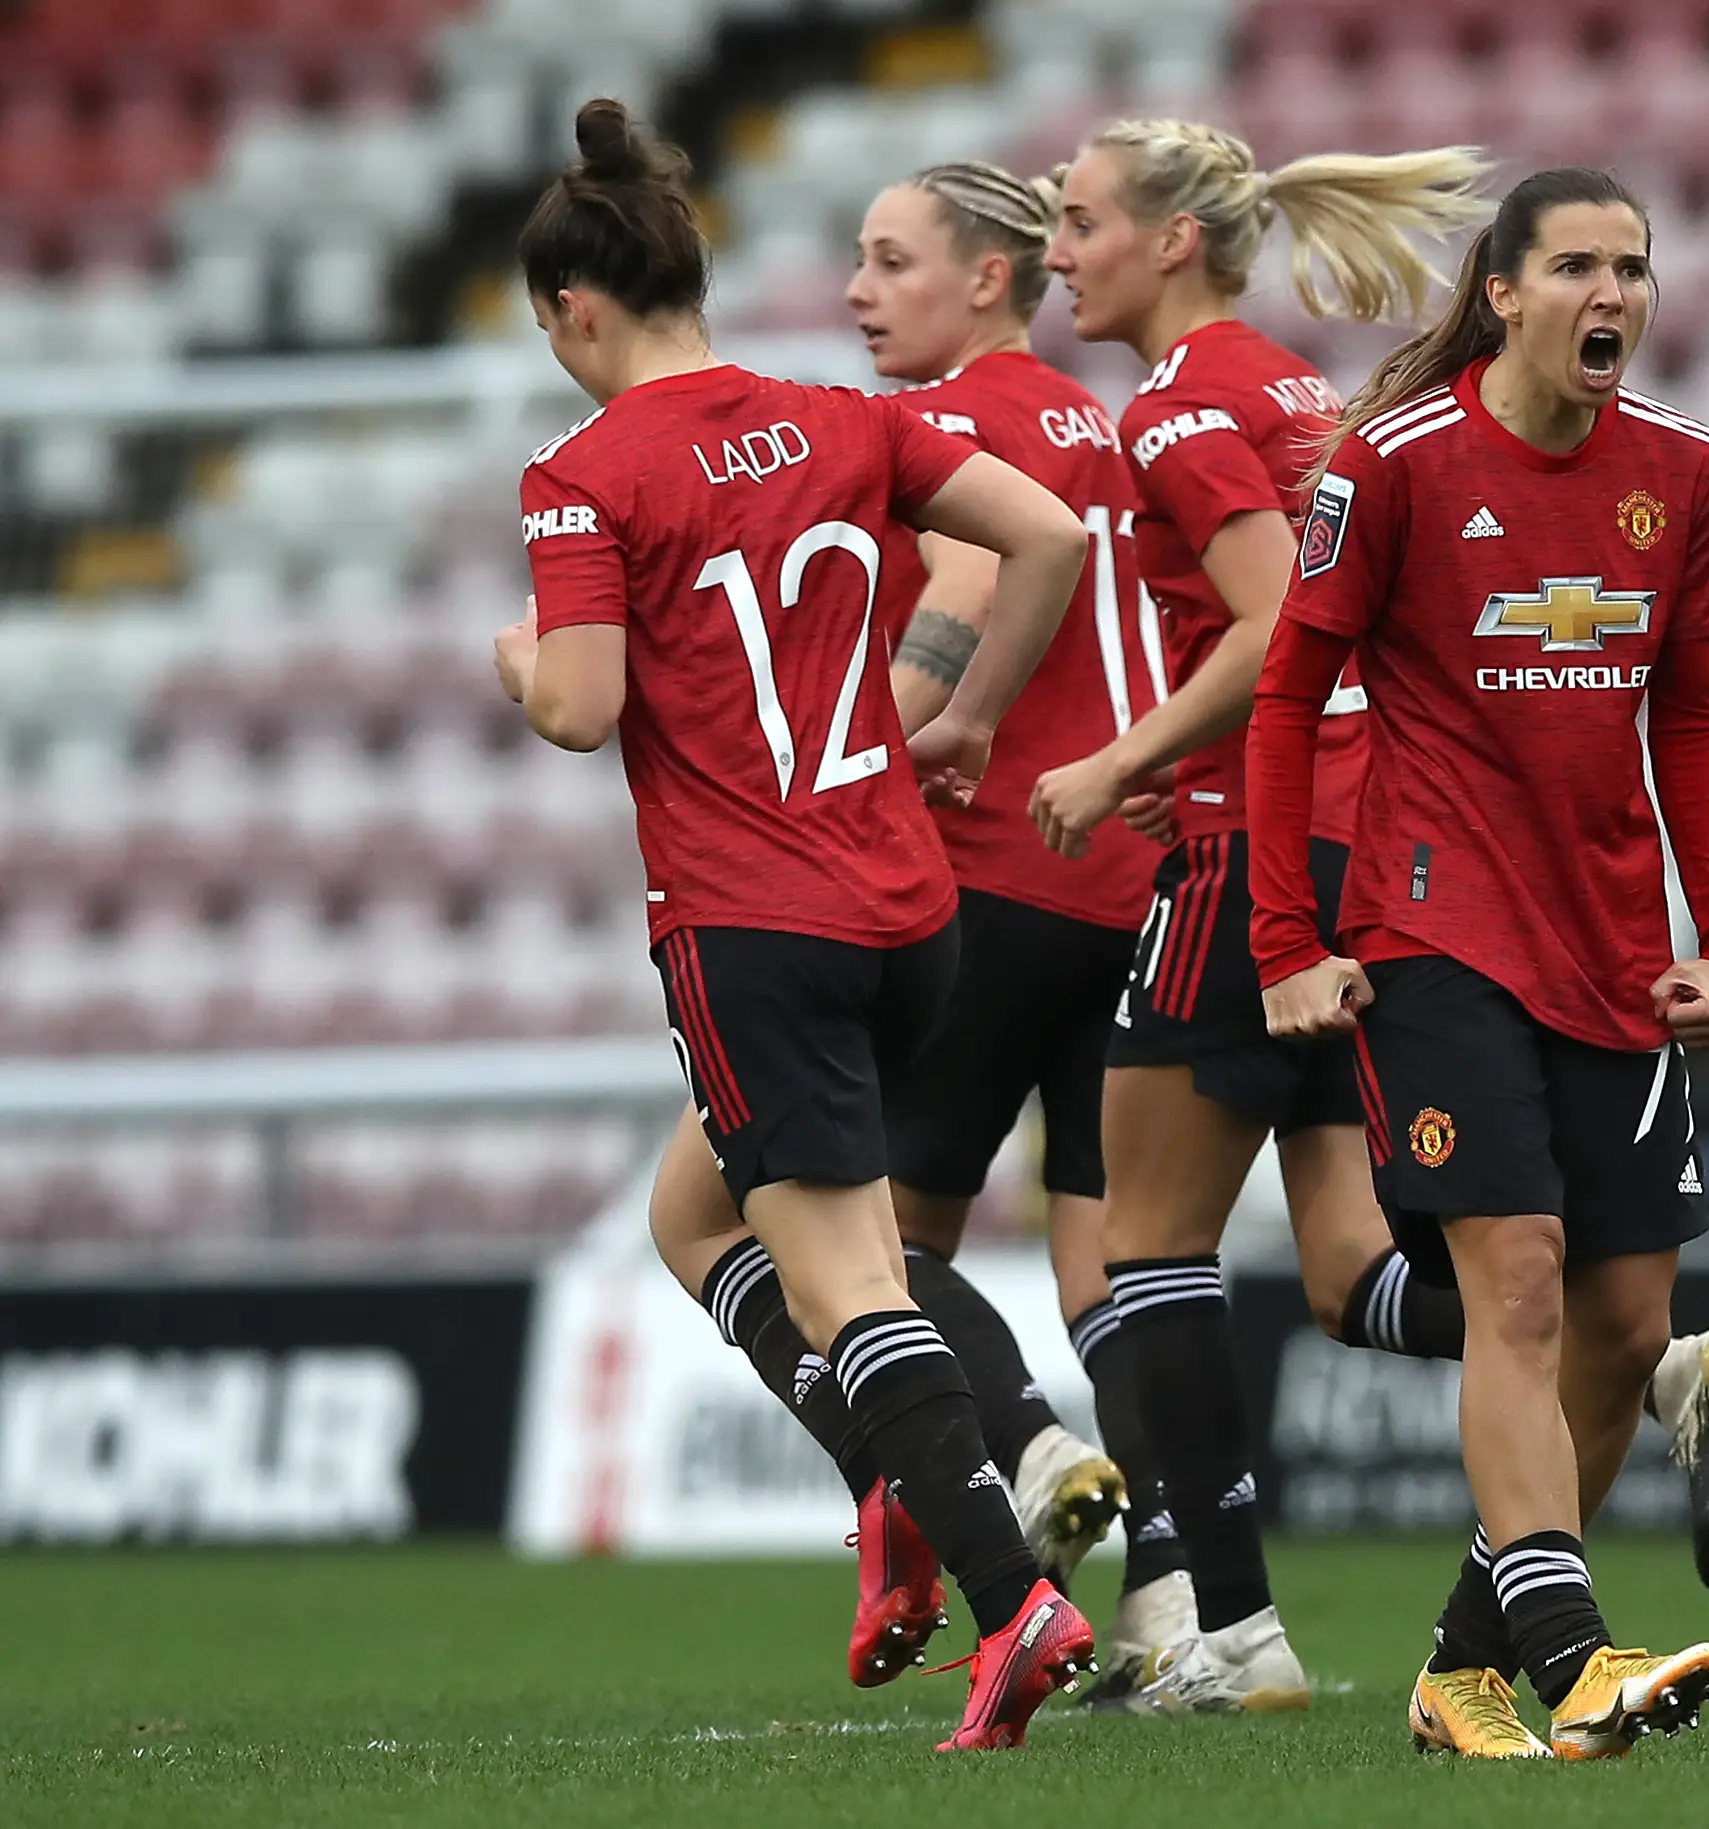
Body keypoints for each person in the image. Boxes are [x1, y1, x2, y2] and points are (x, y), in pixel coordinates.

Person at [494, 100, 1092, 1751]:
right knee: (697, 1218)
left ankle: (1009, 1597)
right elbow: (1048, 534)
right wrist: (969, 720)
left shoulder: (581, 474)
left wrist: (512, 658)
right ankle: (890, 1476)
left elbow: (578, 708)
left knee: (842, 1281)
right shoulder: (838, 417)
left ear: (575, 312)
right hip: (910, 913)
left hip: (755, 922)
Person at [1249, 167, 1709, 1760]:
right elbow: (1287, 702)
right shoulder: (1392, 466)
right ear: (1507, 293)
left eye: (1636, 266)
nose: (1614, 293)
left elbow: (1688, 712)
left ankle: (1458, 1670)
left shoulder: (1680, 469)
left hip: (1612, 947)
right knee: (1519, 1287)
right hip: (1435, 927)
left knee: (1622, 1328)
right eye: (1580, 267)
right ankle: (1575, 1658)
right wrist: (1292, 940)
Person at [640, 158, 1165, 1687]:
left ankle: (996, 1462)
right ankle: (1193, 1599)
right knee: (1117, 1265)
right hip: (1120, 877)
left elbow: (967, 572)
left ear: (986, 278)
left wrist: (890, 738)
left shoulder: (952, 420)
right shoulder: (1094, 419)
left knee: (761, 1228)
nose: (859, 293)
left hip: (967, 872)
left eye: (889, 261)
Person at [1029, 117, 1492, 1714]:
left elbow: (1273, 618)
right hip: (1369, 844)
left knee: (1139, 1248)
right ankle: (1650, 1368)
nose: (1056, 251)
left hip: (1260, 862)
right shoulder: (1293, 382)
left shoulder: (1179, 405)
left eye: (1078, 221)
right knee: (1349, 1264)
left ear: (1169, 240)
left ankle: (1234, 1638)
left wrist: (1124, 759)